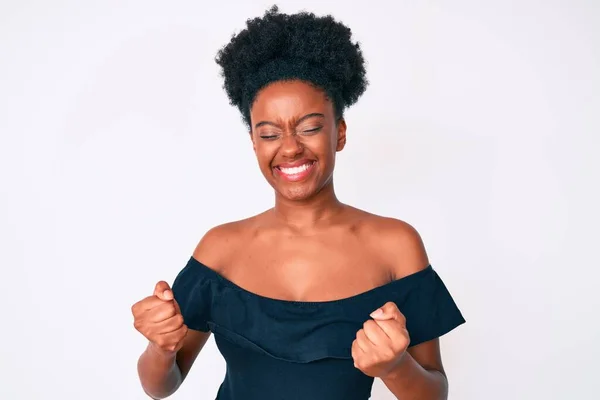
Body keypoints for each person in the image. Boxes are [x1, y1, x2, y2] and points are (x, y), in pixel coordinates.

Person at [131, 5, 465, 400]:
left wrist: (396, 367)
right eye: (270, 133)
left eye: (309, 127)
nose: (290, 148)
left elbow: (434, 392)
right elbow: (161, 386)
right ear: (254, 142)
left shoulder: (395, 246)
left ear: (339, 133)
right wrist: (160, 347)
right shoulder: (220, 249)